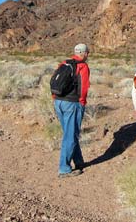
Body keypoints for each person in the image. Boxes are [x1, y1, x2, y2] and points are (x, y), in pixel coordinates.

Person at [53, 43, 91, 178]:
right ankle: (64, 168)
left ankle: (79, 161)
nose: (88, 55)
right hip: (72, 104)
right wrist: (81, 103)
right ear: (84, 53)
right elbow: (84, 88)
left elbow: (54, 81)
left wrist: (55, 98)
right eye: (88, 52)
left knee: (70, 133)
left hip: (58, 102)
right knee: (70, 135)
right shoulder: (82, 66)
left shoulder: (64, 63)